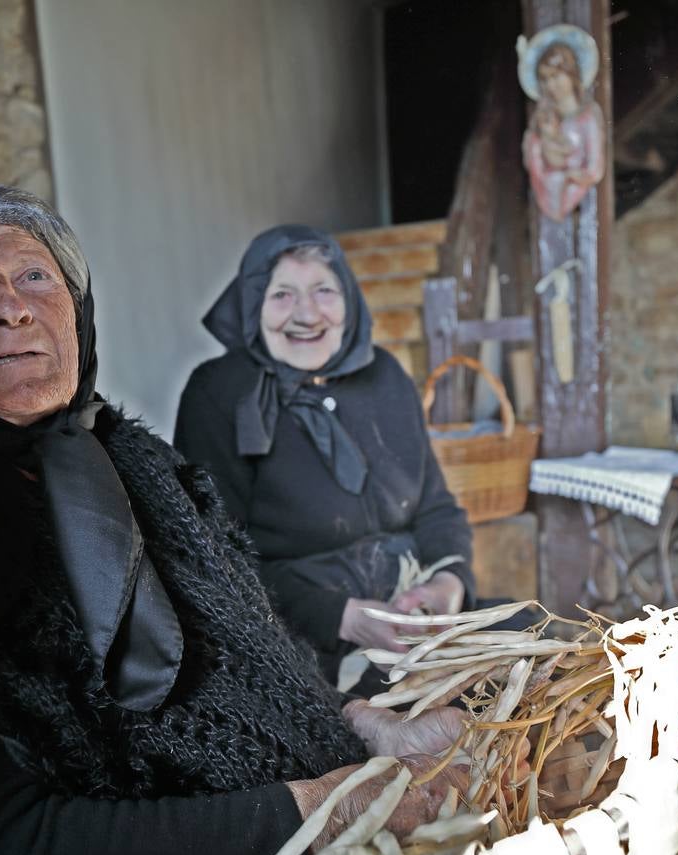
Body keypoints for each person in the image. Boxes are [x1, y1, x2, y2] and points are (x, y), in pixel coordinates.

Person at [0, 179, 473, 855]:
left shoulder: (133, 462)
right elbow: (14, 851)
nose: (10, 307)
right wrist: (320, 811)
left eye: (35, 277)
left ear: (78, 309)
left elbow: (252, 651)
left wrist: (363, 728)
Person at [174, 226, 480, 689]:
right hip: (298, 638)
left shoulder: (385, 376)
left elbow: (435, 507)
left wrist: (448, 584)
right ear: (252, 302)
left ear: (349, 300)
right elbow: (215, 556)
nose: (307, 313)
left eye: (324, 290)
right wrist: (346, 619)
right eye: (282, 295)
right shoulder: (217, 393)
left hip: (416, 621)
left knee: (530, 675)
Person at [521, 41, 605, 222]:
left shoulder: (587, 117)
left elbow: (594, 167)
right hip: (549, 191)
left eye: (556, 76)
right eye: (545, 79)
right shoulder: (544, 118)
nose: (551, 84)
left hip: (574, 191)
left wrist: (570, 176)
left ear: (571, 74)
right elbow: (534, 159)